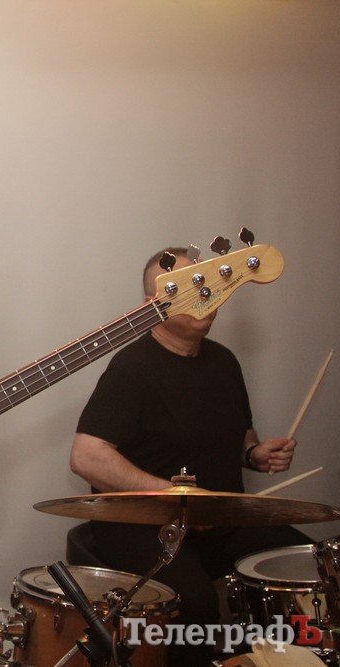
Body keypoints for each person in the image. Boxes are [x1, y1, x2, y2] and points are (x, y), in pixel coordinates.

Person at [68, 247, 311, 664]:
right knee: (193, 602)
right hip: (146, 528)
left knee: (302, 566)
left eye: (208, 285)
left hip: (217, 521)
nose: (204, 296)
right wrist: (177, 499)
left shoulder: (224, 362)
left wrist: (254, 453)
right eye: (187, 288)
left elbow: (236, 432)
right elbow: (87, 456)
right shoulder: (131, 368)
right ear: (154, 302)